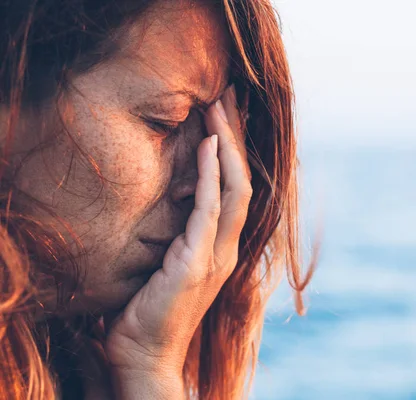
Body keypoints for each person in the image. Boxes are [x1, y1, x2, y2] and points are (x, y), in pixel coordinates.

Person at [0, 0, 315, 398]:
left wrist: (148, 363)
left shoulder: (72, 366)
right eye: (165, 122)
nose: (205, 184)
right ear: (13, 87)